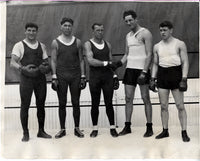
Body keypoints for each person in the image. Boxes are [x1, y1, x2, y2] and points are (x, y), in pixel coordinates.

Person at [111, 10, 154, 137]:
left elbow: (149, 54)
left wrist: (145, 72)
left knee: (145, 98)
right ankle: (127, 126)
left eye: (130, 20)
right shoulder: (128, 36)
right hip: (130, 69)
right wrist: (118, 64)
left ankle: (149, 127)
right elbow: (126, 55)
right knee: (128, 98)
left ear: (136, 19)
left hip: (142, 70)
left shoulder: (145, 33)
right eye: (126, 21)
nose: (129, 22)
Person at [10, 22, 52, 142]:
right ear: (25, 31)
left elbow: (46, 62)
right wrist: (22, 68)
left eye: (34, 30)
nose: (31, 33)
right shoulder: (19, 45)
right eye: (29, 30)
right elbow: (12, 62)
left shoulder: (42, 46)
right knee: (25, 106)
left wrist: (46, 67)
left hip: (40, 79)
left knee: (41, 105)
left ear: (37, 32)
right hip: (26, 79)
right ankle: (25, 133)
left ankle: (41, 131)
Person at [150, 21, 190, 142]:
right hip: (162, 75)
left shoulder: (179, 44)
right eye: (161, 30)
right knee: (163, 106)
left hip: (176, 75)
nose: (162, 32)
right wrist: (152, 78)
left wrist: (184, 78)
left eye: (165, 30)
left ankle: (184, 132)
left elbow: (185, 62)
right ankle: (165, 130)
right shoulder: (157, 46)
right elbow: (155, 64)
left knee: (180, 106)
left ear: (171, 30)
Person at [51, 17, 86, 138]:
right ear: (61, 27)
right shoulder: (55, 42)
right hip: (61, 76)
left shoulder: (78, 42)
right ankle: (62, 129)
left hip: (75, 75)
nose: (67, 28)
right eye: (65, 25)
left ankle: (77, 128)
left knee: (76, 102)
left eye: (69, 25)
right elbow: (53, 60)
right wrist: (54, 76)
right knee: (62, 103)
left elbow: (81, 60)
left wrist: (83, 76)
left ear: (72, 27)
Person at [84, 23, 119, 138]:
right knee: (95, 103)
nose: (100, 32)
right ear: (93, 31)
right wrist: (105, 63)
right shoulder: (88, 44)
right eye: (97, 30)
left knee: (109, 103)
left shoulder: (107, 44)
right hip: (95, 78)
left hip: (107, 77)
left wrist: (115, 76)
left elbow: (111, 62)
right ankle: (95, 128)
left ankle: (112, 128)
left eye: (102, 30)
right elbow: (91, 61)